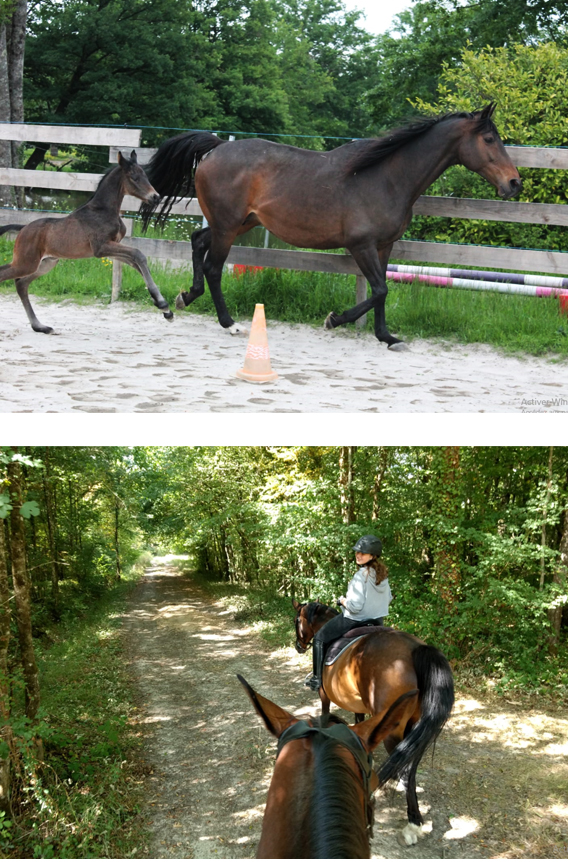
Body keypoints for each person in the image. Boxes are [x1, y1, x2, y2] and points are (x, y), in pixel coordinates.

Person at [304, 534, 392, 692]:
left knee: (319, 638)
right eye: (357, 552)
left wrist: (342, 601)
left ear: (373, 556)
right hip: (378, 621)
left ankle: (317, 679)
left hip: (355, 620)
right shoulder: (382, 575)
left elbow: (355, 607)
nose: (358, 555)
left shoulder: (360, 576)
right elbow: (389, 599)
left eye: (362, 553)